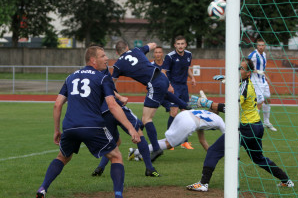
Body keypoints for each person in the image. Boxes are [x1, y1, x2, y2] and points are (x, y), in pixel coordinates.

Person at [35, 46, 140, 198]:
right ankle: (118, 195)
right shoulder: (103, 77)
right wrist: (131, 128)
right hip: (92, 126)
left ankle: (42, 188)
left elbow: (57, 104)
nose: (106, 59)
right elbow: (112, 105)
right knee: (116, 156)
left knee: (62, 157)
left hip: (70, 127)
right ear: (93, 60)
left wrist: (57, 130)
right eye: (103, 56)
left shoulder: (70, 77)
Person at [186, 59, 294, 192]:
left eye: (242, 69)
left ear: (248, 73)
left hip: (246, 128)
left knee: (214, 150)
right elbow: (238, 86)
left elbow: (231, 108)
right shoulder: (244, 83)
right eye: (238, 68)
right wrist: (226, 79)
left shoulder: (245, 87)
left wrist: (206, 103)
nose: (238, 70)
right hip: (257, 127)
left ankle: (203, 184)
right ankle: (286, 181)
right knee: (259, 158)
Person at [112, 41, 190, 162]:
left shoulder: (118, 65)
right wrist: (151, 46)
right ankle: (185, 105)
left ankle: (156, 148)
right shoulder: (137, 50)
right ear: (127, 47)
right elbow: (153, 45)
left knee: (146, 119)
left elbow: (111, 84)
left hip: (153, 83)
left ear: (117, 52)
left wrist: (118, 96)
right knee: (164, 94)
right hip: (161, 78)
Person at [91, 66, 160, 177]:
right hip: (115, 107)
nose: (106, 58)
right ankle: (150, 169)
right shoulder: (102, 70)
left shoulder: (85, 73)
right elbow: (107, 88)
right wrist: (120, 97)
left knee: (115, 142)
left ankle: (100, 168)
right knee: (138, 134)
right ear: (94, 58)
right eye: (102, 55)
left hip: (103, 113)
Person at [128, 109, 225, 162]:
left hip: (184, 114)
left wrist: (211, 154)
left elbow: (202, 140)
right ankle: (136, 152)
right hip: (190, 122)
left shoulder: (204, 112)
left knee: (167, 140)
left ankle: (138, 151)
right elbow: (228, 136)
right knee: (170, 144)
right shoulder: (220, 120)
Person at [162, 35, 196, 149]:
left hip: (184, 87)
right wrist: (169, 85)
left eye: (182, 44)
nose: (180, 46)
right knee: (173, 113)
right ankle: (169, 141)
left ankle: (184, 142)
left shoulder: (189, 55)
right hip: (173, 87)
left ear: (185, 45)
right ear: (175, 45)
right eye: (178, 44)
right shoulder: (169, 57)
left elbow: (187, 68)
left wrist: (192, 78)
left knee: (185, 113)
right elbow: (163, 72)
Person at [248, 38, 277, 131]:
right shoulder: (252, 55)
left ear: (264, 46)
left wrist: (265, 76)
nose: (260, 47)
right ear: (256, 46)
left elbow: (262, 68)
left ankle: (267, 122)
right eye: (259, 45)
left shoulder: (264, 55)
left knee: (268, 99)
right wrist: (256, 71)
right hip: (256, 82)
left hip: (263, 81)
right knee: (259, 101)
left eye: (262, 45)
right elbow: (245, 67)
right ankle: (253, 123)